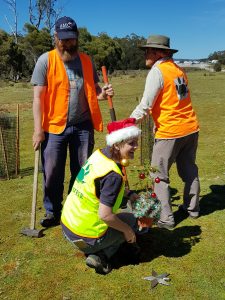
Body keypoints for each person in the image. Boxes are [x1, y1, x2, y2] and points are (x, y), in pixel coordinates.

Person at [31, 16, 114, 227]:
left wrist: (104, 92)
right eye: (63, 39)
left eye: (71, 39)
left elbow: (94, 91)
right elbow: (37, 98)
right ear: (55, 37)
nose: (68, 44)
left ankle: (73, 209)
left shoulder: (86, 60)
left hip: (83, 126)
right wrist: (38, 130)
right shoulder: (45, 60)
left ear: (77, 38)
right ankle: (52, 211)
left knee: (81, 172)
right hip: (53, 128)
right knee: (52, 173)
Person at [130, 35, 200, 230]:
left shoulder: (157, 71)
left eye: (148, 50)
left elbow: (145, 106)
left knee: (158, 176)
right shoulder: (178, 70)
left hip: (170, 131)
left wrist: (127, 123)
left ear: (159, 52)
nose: (145, 54)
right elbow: (175, 100)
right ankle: (193, 209)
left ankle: (166, 219)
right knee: (189, 171)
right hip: (190, 128)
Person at [61, 118, 141, 274]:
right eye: (132, 143)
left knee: (121, 220)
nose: (136, 147)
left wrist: (129, 193)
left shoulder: (99, 156)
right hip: (86, 236)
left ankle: (98, 247)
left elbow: (99, 187)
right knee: (131, 222)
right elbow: (105, 215)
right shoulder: (113, 176)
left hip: (67, 226)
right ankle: (102, 255)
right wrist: (127, 231)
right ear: (117, 144)